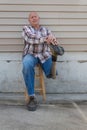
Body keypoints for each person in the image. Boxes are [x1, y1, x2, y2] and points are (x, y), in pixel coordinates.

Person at [22, 12, 58, 111]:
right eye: (31, 17)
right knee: (26, 65)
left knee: (52, 73)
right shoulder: (26, 28)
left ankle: (50, 72)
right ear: (29, 20)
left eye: (35, 16)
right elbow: (31, 39)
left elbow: (53, 40)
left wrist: (53, 39)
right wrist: (46, 38)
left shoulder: (46, 30)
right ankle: (32, 97)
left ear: (39, 18)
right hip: (30, 54)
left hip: (44, 54)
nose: (34, 18)